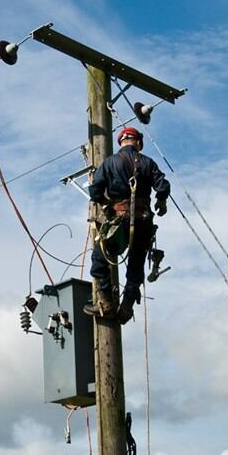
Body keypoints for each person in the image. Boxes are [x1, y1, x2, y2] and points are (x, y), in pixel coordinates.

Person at [85, 126, 170, 323]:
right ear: (138, 142)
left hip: (121, 222)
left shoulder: (109, 163)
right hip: (143, 222)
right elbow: (162, 185)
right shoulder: (148, 163)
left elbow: (95, 192)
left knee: (100, 256)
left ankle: (105, 303)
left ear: (121, 142)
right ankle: (126, 307)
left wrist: (107, 204)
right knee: (136, 265)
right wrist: (161, 201)